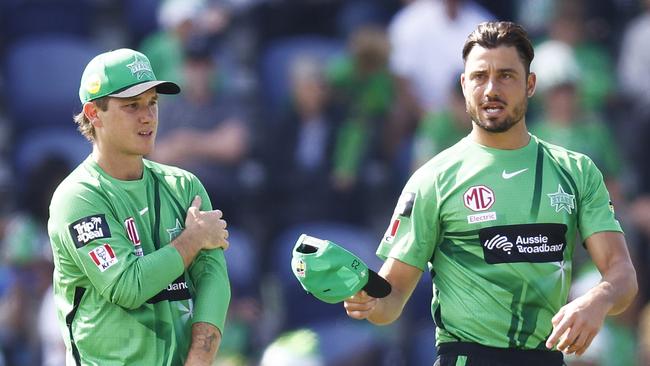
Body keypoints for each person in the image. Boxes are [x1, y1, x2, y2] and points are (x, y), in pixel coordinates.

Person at [343, 21, 637, 365]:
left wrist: (597, 299)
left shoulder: (575, 171)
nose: (491, 89)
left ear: (530, 85)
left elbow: (622, 274)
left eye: (507, 76)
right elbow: (391, 297)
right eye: (480, 76)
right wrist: (369, 301)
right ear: (465, 84)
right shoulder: (433, 179)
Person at [47, 48, 231, 365]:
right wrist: (195, 237)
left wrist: (199, 360)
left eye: (152, 103)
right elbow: (128, 287)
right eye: (132, 106)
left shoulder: (184, 185)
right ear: (93, 114)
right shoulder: (78, 196)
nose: (147, 116)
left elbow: (213, 279)